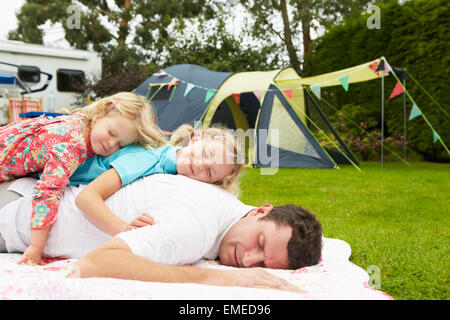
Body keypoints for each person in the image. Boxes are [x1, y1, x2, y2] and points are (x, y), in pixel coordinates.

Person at [0, 174, 322, 291]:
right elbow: (96, 264)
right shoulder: (195, 224)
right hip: (11, 214)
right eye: (260, 242)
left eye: (263, 265)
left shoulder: (222, 206)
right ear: (261, 210)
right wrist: (223, 279)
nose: (248, 261)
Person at [0, 92, 165, 266]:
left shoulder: (83, 122)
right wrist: (35, 247)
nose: (111, 144)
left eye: (120, 145)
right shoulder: (73, 145)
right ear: (100, 114)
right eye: (111, 133)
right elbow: (48, 191)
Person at [69, 124, 245, 236]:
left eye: (209, 172)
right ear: (196, 138)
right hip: (61, 170)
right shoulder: (151, 159)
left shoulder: (170, 170)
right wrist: (123, 229)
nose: (200, 165)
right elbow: (86, 197)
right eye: (206, 153)